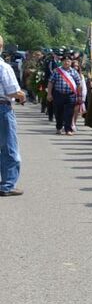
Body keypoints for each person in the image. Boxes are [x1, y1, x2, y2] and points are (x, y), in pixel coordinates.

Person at [0, 34, 26, 197]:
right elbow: (12, 91)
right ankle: (8, 185)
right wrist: (22, 96)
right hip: (2, 108)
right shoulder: (3, 67)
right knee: (9, 147)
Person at [47, 51, 84, 135]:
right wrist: (49, 94)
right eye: (65, 61)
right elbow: (51, 83)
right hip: (58, 94)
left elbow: (79, 84)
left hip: (71, 95)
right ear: (62, 62)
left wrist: (79, 96)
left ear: (71, 62)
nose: (66, 63)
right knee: (58, 112)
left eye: (68, 61)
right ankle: (59, 127)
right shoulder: (57, 71)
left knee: (69, 113)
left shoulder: (74, 72)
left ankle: (68, 129)